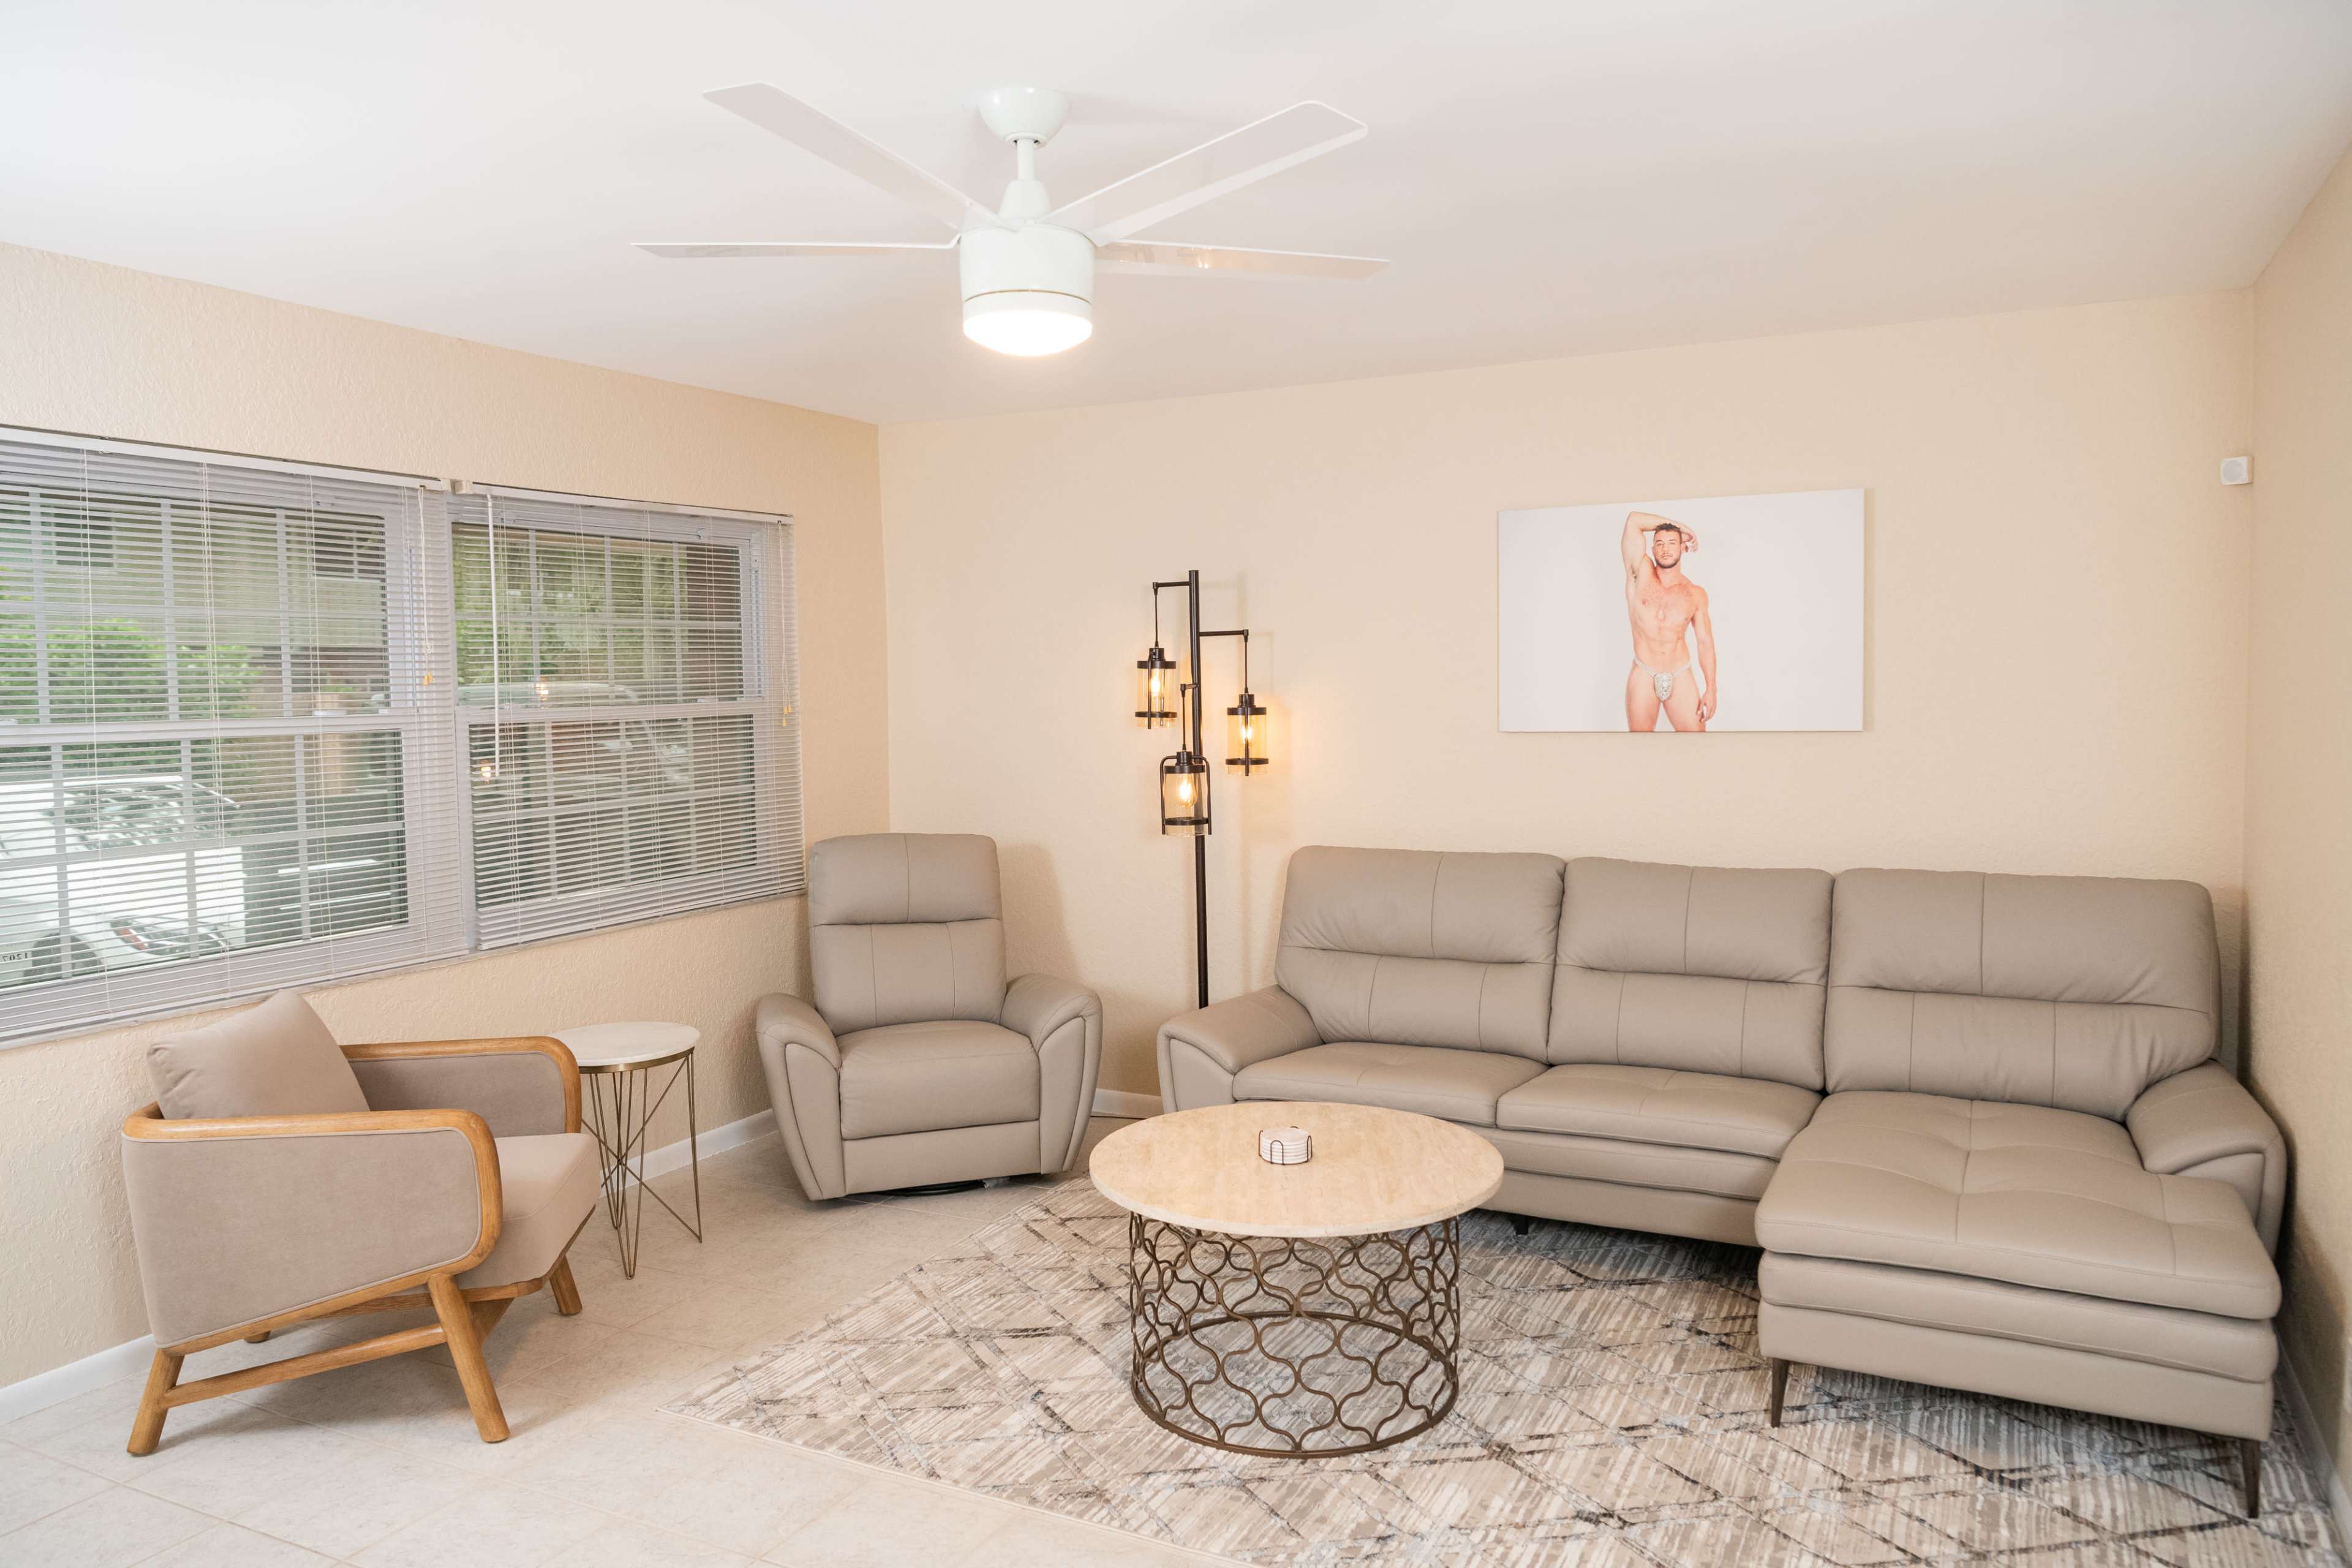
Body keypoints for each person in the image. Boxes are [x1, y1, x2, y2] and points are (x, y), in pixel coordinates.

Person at [1619, 510, 1716, 731]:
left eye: (1672, 543)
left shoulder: (1695, 594)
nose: (1665, 549)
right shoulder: (1639, 573)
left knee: (1697, 743)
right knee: (1639, 744)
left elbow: (1705, 643)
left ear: (1683, 548)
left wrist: (1711, 689)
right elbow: (1634, 520)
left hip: (1680, 673)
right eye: (1660, 544)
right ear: (1652, 549)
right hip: (1644, 672)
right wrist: (1681, 527)